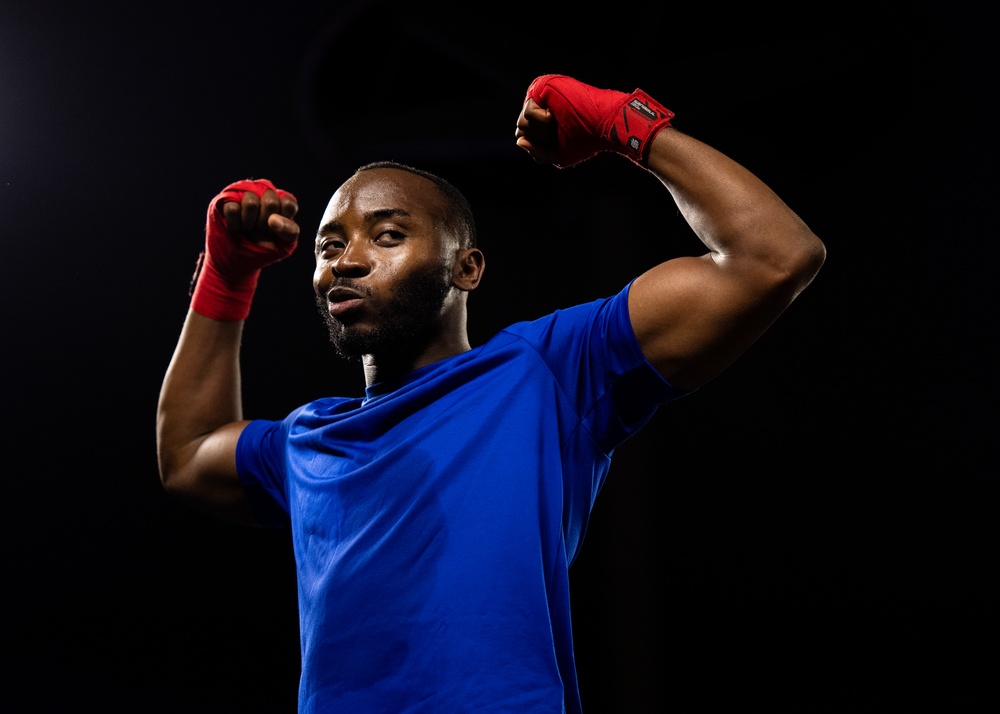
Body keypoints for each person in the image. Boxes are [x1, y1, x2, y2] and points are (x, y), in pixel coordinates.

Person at [156, 73, 826, 713]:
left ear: (466, 268)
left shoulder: (545, 371)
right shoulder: (308, 441)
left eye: (388, 235)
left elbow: (774, 255)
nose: (348, 259)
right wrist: (226, 273)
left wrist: (624, 123)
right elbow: (186, 452)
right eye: (329, 246)